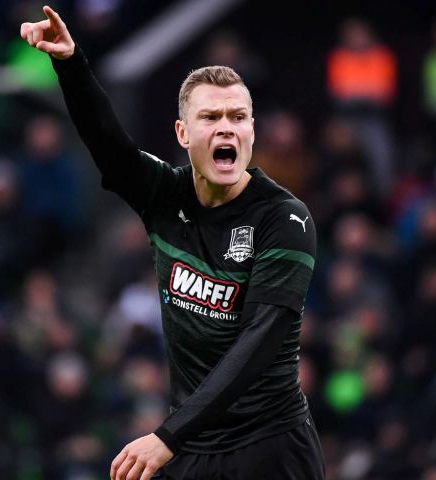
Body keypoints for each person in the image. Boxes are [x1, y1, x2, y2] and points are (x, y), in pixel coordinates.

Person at [21, 6, 324, 480]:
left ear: (251, 130)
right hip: (192, 444)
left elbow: (258, 342)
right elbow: (109, 145)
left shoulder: (284, 219)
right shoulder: (166, 196)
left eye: (238, 117)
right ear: (183, 133)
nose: (226, 127)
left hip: (269, 447)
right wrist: (70, 63)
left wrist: (168, 435)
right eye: (210, 117)